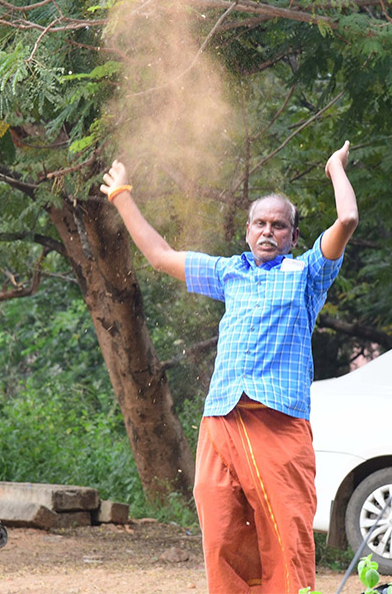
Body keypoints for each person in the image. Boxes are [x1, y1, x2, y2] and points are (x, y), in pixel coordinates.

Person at [101, 141, 358, 593]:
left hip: (278, 424)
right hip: (220, 419)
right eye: (260, 223)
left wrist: (335, 167)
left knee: (286, 536)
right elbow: (160, 256)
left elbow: (347, 220)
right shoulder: (228, 273)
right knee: (221, 533)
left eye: (279, 226)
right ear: (246, 231)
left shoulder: (306, 276)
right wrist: (122, 194)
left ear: (293, 238)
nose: (268, 231)